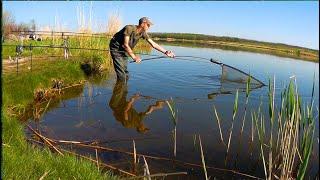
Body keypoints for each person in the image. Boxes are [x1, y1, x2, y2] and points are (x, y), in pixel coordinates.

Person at [109, 17, 175, 81]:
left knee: (126, 73)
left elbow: (153, 44)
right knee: (121, 74)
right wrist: (134, 57)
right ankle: (119, 89)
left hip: (125, 49)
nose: (149, 27)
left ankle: (123, 89)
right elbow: (125, 45)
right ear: (143, 24)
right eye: (148, 25)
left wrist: (166, 52)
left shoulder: (143, 33)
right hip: (116, 49)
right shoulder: (129, 28)